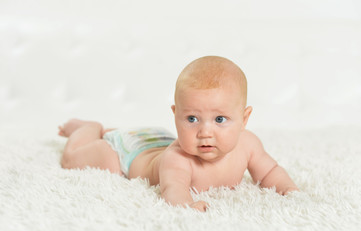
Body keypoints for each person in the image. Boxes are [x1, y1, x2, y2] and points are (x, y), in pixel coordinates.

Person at [58, 56, 299, 212]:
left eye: (220, 120)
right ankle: (87, 128)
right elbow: (173, 189)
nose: (205, 132)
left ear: (244, 119)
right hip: (129, 153)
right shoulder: (178, 159)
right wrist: (187, 206)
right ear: (176, 115)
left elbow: (270, 171)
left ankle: (112, 129)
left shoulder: (249, 145)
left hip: (155, 138)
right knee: (74, 159)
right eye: (191, 119)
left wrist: (288, 189)